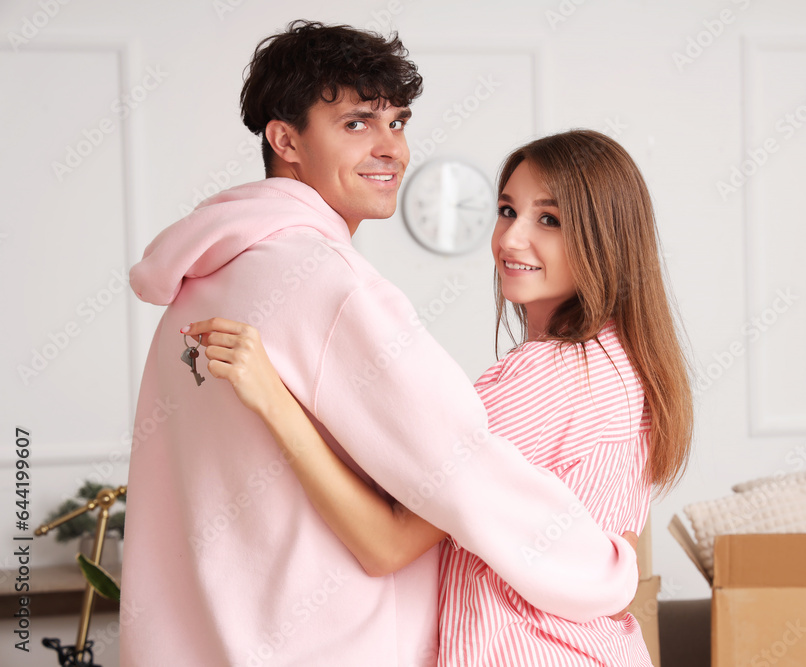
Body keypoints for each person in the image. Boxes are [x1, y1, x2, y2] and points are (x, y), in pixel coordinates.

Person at [121, 22, 640, 667]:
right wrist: (611, 568)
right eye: (357, 124)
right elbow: (464, 473)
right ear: (285, 139)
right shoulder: (331, 286)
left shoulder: (202, 282)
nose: (391, 148)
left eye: (397, 122)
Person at [185, 129, 694, 665]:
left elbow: (386, 544)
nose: (511, 239)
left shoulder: (546, 378)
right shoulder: (625, 364)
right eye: (506, 210)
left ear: (604, 238)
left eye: (550, 220)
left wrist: (272, 397)